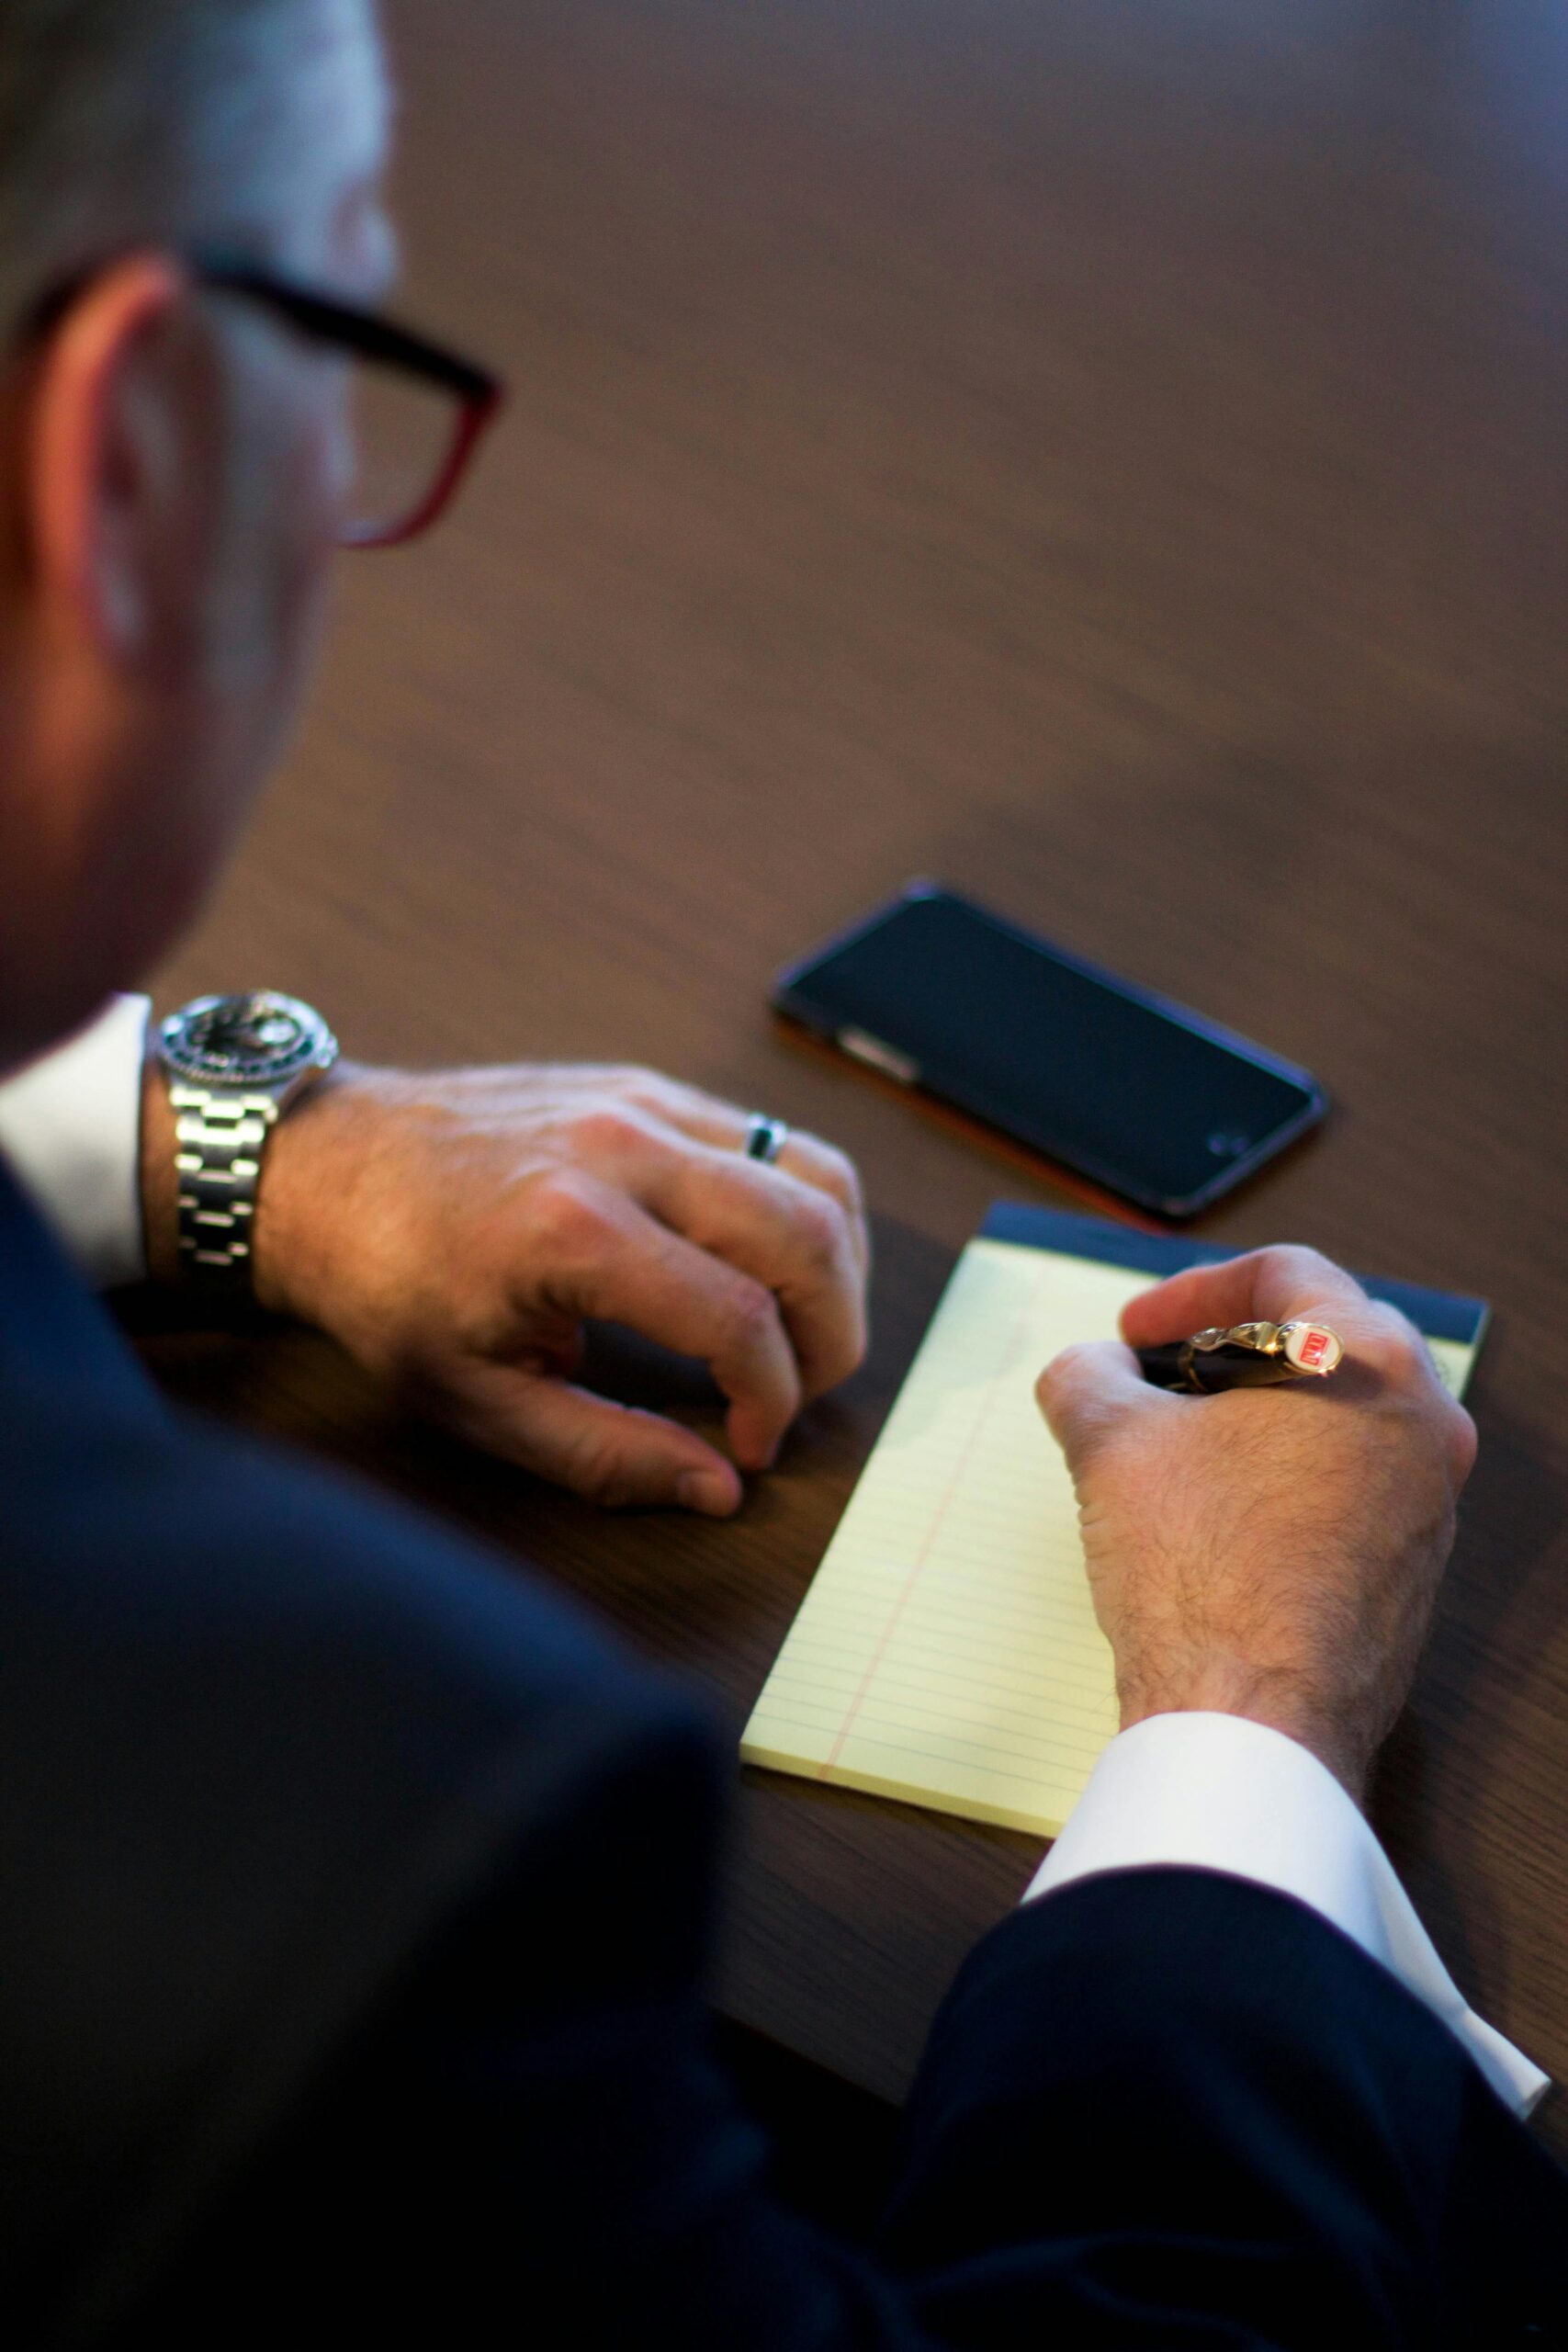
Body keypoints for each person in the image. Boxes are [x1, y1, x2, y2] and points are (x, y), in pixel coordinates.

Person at [1, 3, 1564, 2344]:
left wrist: (236, 1148)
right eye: (332, 339)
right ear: (123, 456)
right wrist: (1242, 1731)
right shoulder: (351, 1826)